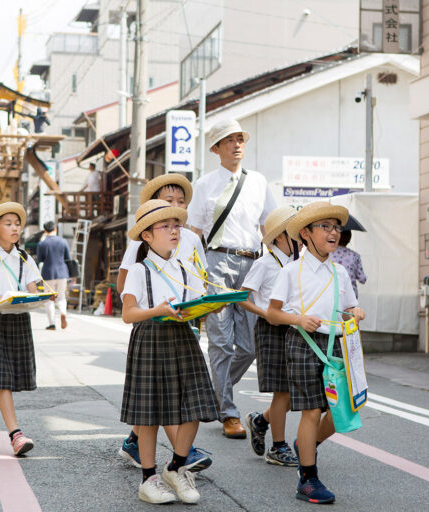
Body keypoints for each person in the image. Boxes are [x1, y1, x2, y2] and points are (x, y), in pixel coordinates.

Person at [120, 199, 219, 504]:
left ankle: (175, 467)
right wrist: (157, 310)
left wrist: (208, 306)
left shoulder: (184, 266)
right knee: (149, 415)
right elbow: (128, 314)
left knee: (196, 406)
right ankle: (148, 479)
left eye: (176, 225)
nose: (175, 231)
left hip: (182, 337)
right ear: (147, 235)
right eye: (166, 226)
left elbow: (194, 305)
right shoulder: (139, 269)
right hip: (150, 337)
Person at [266, 201, 365, 504]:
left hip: (336, 344)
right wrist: (298, 319)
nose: (334, 233)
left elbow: (347, 308)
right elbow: (272, 314)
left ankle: (307, 444)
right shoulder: (291, 272)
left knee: (343, 409)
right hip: (302, 342)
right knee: (311, 410)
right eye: (325, 227)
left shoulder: (341, 272)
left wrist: (355, 312)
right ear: (306, 233)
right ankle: (308, 478)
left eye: (336, 227)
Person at [186, 118, 277, 439]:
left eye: (240, 139)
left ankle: (215, 391)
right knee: (221, 342)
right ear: (216, 149)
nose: (237, 144)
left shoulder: (259, 182)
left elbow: (270, 229)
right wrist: (192, 272)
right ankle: (228, 413)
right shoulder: (204, 184)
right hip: (216, 262)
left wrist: (280, 266)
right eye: (229, 140)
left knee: (251, 346)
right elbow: (194, 231)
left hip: (252, 265)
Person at [0, 202, 53, 456]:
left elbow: (34, 292)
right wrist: (4, 299)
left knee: (2, 378)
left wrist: (45, 296)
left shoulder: (25, 258)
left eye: (17, 224)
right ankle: (16, 435)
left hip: (19, 321)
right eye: (8, 224)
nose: (15, 228)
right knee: (3, 377)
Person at [240, 206, 301, 467]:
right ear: (278, 236)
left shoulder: (298, 264)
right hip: (271, 329)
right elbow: (242, 296)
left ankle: (260, 421)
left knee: (294, 391)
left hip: (293, 328)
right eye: (293, 233)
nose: (298, 238)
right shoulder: (264, 263)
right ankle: (278, 446)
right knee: (282, 392)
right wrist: (264, 312)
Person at [36, 221, 70, 330]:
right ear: (55, 229)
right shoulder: (63, 241)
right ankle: (63, 313)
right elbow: (67, 257)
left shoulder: (42, 243)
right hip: (62, 272)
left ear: (45, 231)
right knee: (61, 297)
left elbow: (40, 259)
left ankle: (52, 324)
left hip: (48, 273)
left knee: (49, 299)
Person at [329, 229, 367, 298]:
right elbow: (362, 279)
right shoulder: (355, 255)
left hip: (332, 293)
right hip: (350, 295)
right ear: (349, 239)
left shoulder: (328, 254)